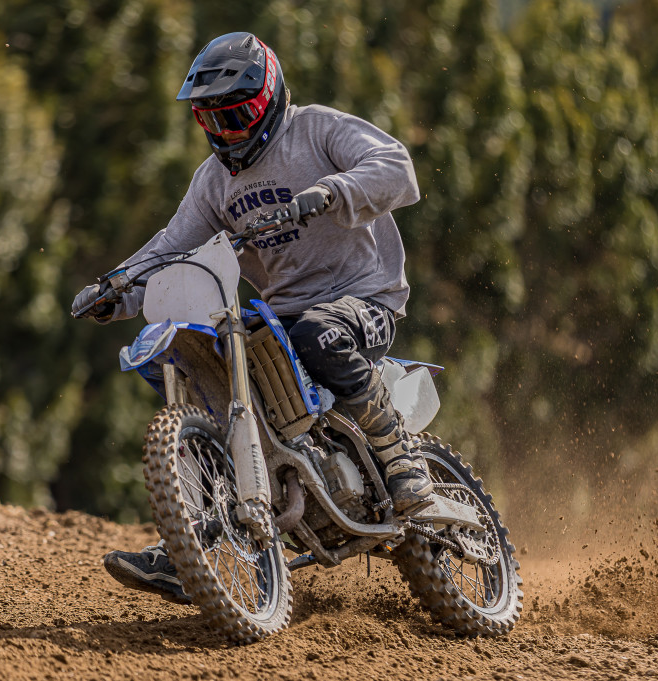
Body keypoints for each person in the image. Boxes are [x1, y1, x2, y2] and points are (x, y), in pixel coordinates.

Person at [72, 32, 431, 603]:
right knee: (204, 364)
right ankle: (193, 541)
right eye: (212, 121)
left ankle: (399, 455)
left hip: (365, 298)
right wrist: (115, 288)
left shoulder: (316, 129)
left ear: (269, 98)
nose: (227, 132)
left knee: (320, 333)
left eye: (237, 115)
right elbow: (170, 247)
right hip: (280, 316)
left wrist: (330, 192)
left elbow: (397, 167)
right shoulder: (214, 182)